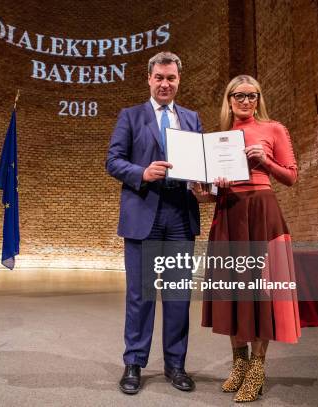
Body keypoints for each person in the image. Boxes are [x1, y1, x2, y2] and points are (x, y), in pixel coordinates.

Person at [194, 74, 301, 402]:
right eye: (238, 95)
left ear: (258, 99)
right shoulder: (218, 138)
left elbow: (292, 176)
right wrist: (204, 192)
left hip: (260, 212)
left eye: (252, 96)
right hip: (229, 212)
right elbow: (212, 192)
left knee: (260, 290)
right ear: (228, 100)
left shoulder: (273, 129)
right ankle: (238, 363)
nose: (245, 101)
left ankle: (257, 367)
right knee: (231, 288)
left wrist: (264, 161)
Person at [106, 51, 203, 395]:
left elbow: (199, 165)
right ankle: (134, 362)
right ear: (149, 79)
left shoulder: (191, 118)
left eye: (171, 78)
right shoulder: (130, 116)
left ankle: (176, 365)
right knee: (140, 295)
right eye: (159, 77)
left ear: (179, 80)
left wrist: (206, 184)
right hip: (143, 213)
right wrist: (142, 173)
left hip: (180, 215)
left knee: (178, 295)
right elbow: (113, 161)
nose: (165, 83)